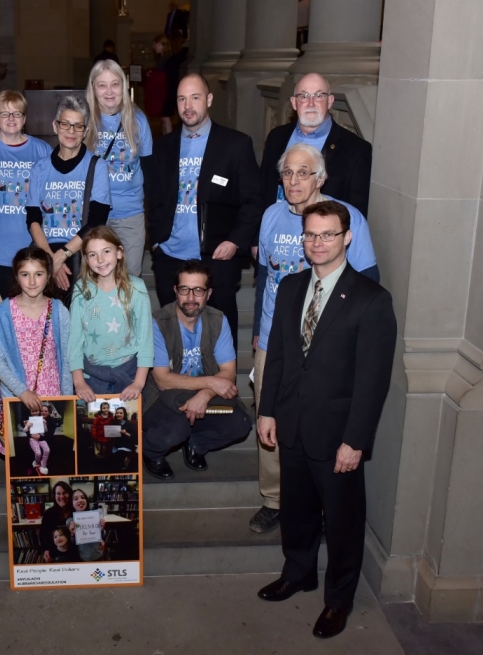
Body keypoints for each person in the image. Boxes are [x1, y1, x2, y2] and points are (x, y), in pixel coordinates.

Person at [255, 201, 396, 640]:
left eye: (327, 235)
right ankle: (298, 572)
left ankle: (338, 599)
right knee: (296, 510)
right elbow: (277, 354)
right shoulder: (293, 286)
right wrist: (267, 410)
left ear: (347, 237)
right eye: (310, 235)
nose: (317, 243)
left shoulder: (372, 300)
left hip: (337, 434)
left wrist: (356, 440)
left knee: (342, 520)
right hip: (292, 424)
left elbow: (373, 381)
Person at [249, 142, 379, 534]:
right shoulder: (270, 215)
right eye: (287, 173)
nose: (294, 181)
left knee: (319, 429)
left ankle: (317, 502)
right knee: (270, 424)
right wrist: (258, 329)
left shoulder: (344, 217)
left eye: (303, 173)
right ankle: (274, 499)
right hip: (274, 340)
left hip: (324, 347)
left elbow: (367, 285)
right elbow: (263, 280)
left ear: (320, 178)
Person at [145, 73, 264, 347]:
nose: (188, 105)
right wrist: (157, 242)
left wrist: (235, 240)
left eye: (195, 97)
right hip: (170, 257)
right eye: (182, 99)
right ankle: (177, 390)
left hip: (217, 258)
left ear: (209, 100)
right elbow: (156, 199)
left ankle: (223, 390)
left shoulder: (235, 145)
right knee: (173, 338)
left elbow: (253, 200)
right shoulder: (163, 147)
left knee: (219, 338)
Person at [141, 261, 252, 479]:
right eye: (185, 289)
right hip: (161, 397)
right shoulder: (157, 322)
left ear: (208, 293)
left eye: (198, 290)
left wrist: (204, 394)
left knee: (241, 423)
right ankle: (151, 452)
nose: (191, 298)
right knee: (177, 428)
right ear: (175, 291)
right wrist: (211, 383)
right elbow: (163, 380)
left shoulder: (218, 320)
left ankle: (196, 443)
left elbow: (228, 373)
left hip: (198, 392)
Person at [25, 96, 112, 297]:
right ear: (55, 126)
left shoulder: (96, 166)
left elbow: (96, 222)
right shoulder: (40, 167)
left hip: (81, 252)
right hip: (45, 251)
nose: (71, 131)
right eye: (65, 124)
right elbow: (33, 219)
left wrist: (62, 256)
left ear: (86, 131)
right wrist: (51, 260)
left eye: (78, 126)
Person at [0, 92, 53, 297]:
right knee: (2, 313)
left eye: (17, 113)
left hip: (33, 247)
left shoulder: (43, 150)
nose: (11, 118)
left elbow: (51, 199)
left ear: (25, 118)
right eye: (4, 114)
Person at [259, 73, 372, 216]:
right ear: (294, 103)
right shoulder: (276, 137)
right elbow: (262, 191)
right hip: (274, 231)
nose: (311, 103)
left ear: (330, 101)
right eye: (304, 96)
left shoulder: (356, 149)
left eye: (319, 96)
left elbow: (356, 213)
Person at [68, 227, 154, 402]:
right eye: (92, 254)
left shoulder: (136, 288)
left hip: (128, 374)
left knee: (125, 429)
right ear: (86, 259)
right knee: (92, 428)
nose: (100, 259)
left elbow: (145, 340)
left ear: (119, 252)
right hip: (91, 376)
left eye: (106, 251)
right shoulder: (81, 290)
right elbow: (75, 340)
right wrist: (78, 382)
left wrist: (138, 383)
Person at [85, 60, 153, 276]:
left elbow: (150, 170)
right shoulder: (84, 121)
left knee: (130, 278)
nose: (109, 91)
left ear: (123, 86)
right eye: (102, 85)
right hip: (94, 213)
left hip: (130, 213)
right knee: (95, 279)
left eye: (115, 84)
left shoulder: (138, 120)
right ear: (93, 88)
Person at [0, 247, 73, 412]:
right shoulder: (3, 313)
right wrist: (22, 392)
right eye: (25, 274)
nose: (32, 282)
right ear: (17, 277)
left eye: (38, 274)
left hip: (52, 395)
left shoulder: (59, 310)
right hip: (16, 397)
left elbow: (67, 359)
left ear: (48, 276)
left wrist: (66, 401)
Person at [66, 489, 106, 562]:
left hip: (98, 555)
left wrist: (102, 530)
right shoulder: (70, 521)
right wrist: (72, 534)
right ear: (71, 503)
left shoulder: (94, 516)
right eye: (75, 499)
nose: (80, 500)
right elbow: (70, 544)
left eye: (83, 497)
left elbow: (101, 536)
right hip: (81, 558)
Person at [40, 481, 74, 562]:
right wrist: (46, 549)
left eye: (65, 493)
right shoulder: (48, 513)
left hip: (74, 552)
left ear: (70, 494)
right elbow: (44, 534)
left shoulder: (76, 511)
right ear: (54, 496)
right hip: (55, 553)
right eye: (58, 493)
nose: (61, 496)